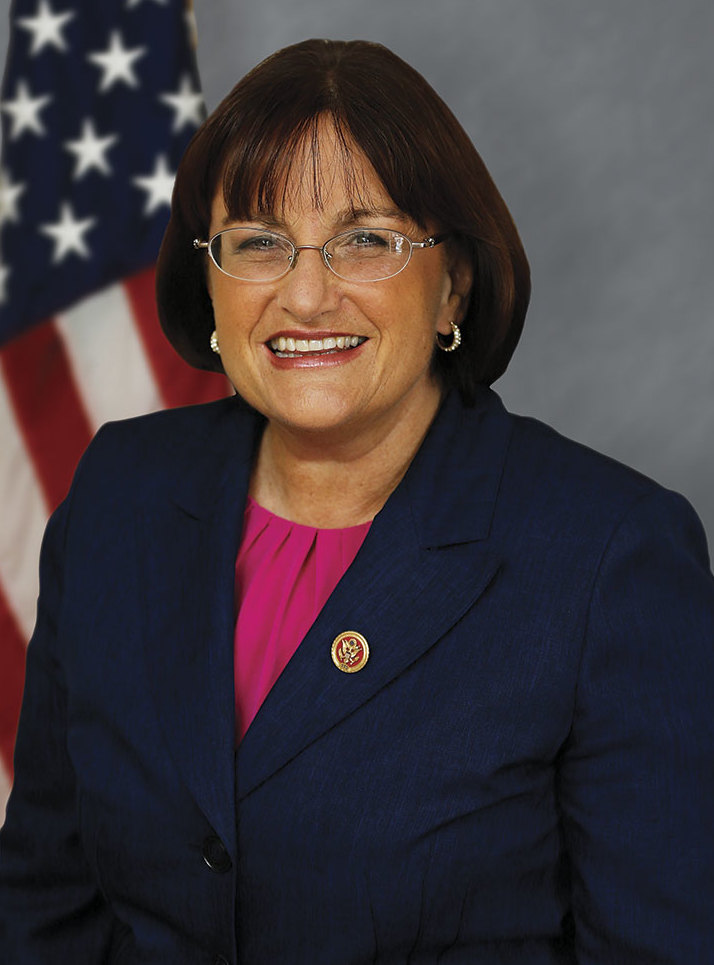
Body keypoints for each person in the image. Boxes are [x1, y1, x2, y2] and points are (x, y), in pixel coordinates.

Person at [1, 37, 713, 965]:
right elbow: (42, 905)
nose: (305, 295)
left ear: (453, 285)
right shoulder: (120, 495)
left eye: (366, 240)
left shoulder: (610, 557)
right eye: (259, 242)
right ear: (210, 281)